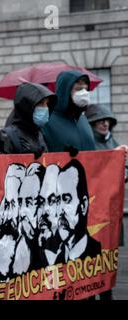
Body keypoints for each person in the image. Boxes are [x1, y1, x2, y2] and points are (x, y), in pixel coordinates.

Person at [85, 103, 128, 300]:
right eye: (100, 121)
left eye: (107, 121)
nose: (104, 124)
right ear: (91, 124)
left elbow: (123, 171)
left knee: (107, 258)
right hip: (94, 212)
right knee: (91, 262)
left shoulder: (113, 142)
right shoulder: (88, 142)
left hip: (110, 209)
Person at [56, 159, 101, 262]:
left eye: (66, 199)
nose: (60, 209)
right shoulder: (56, 258)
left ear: (83, 205)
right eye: (58, 201)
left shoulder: (98, 252)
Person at [42, 71, 96, 152]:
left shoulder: (83, 119)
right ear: (65, 91)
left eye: (86, 89)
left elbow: (95, 154)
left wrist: (113, 154)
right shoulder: (46, 121)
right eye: (79, 89)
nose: (84, 93)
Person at [2, 83, 57, 157]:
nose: (46, 108)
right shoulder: (8, 136)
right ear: (27, 106)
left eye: (47, 103)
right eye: (41, 103)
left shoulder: (39, 134)